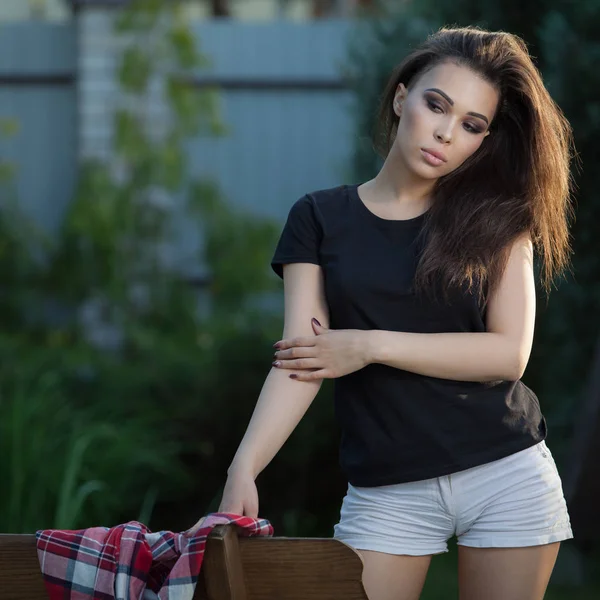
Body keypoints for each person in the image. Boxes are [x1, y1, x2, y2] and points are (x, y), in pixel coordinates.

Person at [202, 26, 576, 600]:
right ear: (402, 98)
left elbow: (508, 355)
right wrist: (244, 467)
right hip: (388, 488)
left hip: (505, 471)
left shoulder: (500, 218)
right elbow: (303, 358)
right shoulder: (319, 218)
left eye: (472, 125)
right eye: (436, 105)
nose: (446, 133)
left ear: (484, 139)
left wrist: (369, 344)